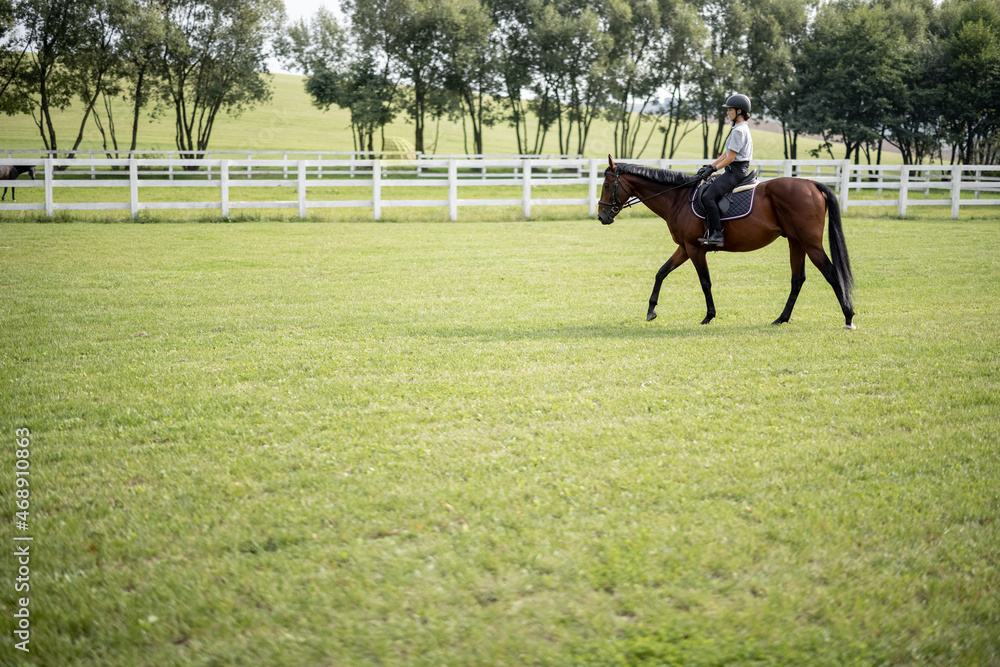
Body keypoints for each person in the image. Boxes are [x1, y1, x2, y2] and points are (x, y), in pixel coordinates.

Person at [696, 94, 754, 247]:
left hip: (735, 172)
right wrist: (710, 166)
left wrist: (714, 168)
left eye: (730, 110)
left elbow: (731, 158)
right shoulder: (740, 128)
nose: (728, 113)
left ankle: (716, 234)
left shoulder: (738, 131)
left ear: (739, 111)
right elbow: (726, 154)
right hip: (735, 170)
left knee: (708, 196)